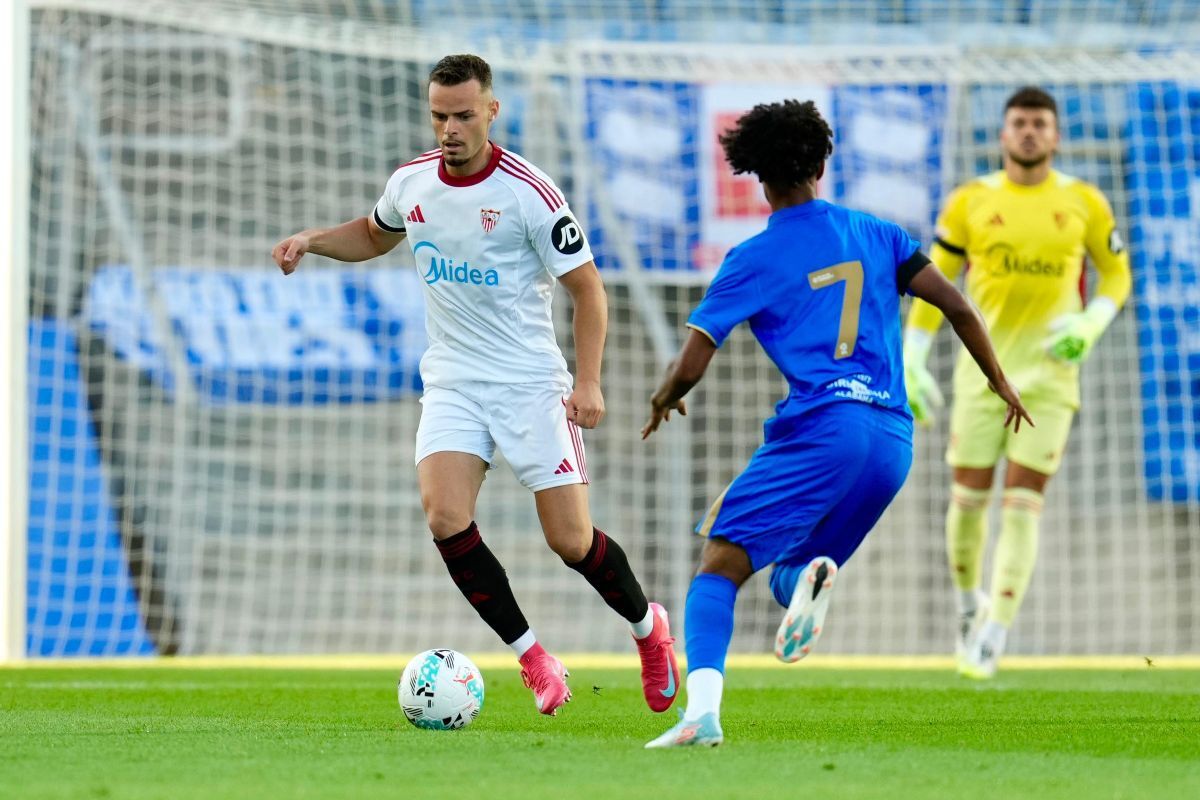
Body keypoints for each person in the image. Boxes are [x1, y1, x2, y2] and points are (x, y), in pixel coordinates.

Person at [271, 54, 678, 717]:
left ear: (492, 110)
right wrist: (312, 239)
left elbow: (588, 290)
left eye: (462, 115)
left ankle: (647, 629)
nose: (449, 130)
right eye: (439, 116)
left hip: (529, 384)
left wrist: (589, 381)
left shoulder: (530, 194)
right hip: (454, 380)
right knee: (445, 516)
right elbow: (374, 235)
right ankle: (534, 658)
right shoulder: (410, 182)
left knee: (570, 541)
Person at [640, 99, 1031, 749]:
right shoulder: (880, 234)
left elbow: (693, 360)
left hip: (825, 428)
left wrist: (663, 397)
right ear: (821, 165)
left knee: (719, 566)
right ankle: (803, 582)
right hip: (893, 442)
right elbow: (959, 307)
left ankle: (701, 714)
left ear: (756, 176)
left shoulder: (752, 258)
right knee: (796, 565)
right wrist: (998, 379)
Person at [904, 87, 1131, 680]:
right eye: (1020, 123)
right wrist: (914, 354)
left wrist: (1092, 321)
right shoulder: (970, 202)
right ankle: (967, 607)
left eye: (1040, 123)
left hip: (1050, 380)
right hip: (982, 377)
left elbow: (1117, 274)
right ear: (1002, 134)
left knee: (1023, 503)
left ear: (1056, 135)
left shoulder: (1085, 202)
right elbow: (936, 282)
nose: (1029, 131)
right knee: (967, 502)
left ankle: (994, 635)